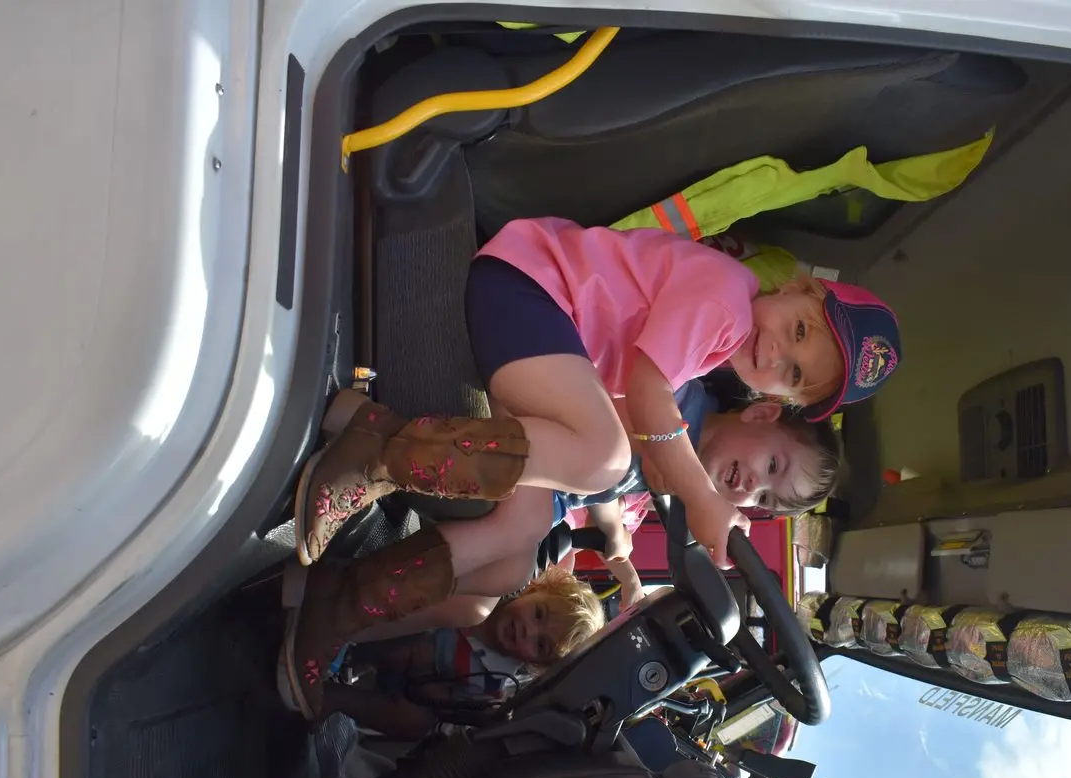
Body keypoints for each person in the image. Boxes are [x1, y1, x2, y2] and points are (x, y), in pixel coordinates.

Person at [294, 217, 900, 574]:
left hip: (545, 330)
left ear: (782, 398)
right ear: (796, 288)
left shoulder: (726, 338)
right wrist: (704, 501)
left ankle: (350, 591)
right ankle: (379, 455)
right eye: (798, 331)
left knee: (522, 537)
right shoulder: (725, 300)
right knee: (603, 458)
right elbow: (646, 394)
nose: (775, 357)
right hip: (531, 287)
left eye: (793, 374)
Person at [278, 379, 846, 719]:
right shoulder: (678, 402)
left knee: (494, 588)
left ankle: (339, 606)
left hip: (553, 476)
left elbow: (607, 487)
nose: (752, 489)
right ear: (762, 413)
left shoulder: (676, 473)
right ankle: (348, 583)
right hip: (535, 436)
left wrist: (618, 543)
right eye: (772, 466)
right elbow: (606, 445)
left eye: (766, 500)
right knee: (518, 542)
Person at [280, 566, 603, 727]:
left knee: (417, 723)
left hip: (411, 680)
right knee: (411, 638)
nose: (527, 631)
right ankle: (337, 636)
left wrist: (428, 681)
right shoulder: (489, 591)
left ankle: (331, 699)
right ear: (536, 588)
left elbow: (449, 703)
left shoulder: (494, 683)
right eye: (538, 613)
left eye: (541, 645)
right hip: (398, 627)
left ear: (539, 666)